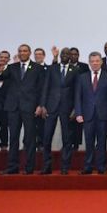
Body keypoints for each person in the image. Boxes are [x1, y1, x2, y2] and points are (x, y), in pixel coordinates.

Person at [0, 43, 46, 175]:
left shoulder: (37, 68)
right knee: (13, 138)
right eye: (20, 51)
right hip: (13, 107)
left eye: (25, 51)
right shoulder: (12, 67)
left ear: (29, 53)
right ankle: (12, 166)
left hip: (30, 107)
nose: (22, 53)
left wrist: (40, 105)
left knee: (30, 138)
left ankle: (29, 168)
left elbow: (42, 88)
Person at [40, 47, 83, 175]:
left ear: (71, 56)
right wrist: (42, 105)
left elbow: (77, 91)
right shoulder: (52, 68)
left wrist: (76, 108)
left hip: (67, 108)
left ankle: (65, 167)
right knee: (47, 137)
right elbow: (45, 87)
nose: (65, 55)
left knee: (67, 139)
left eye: (67, 54)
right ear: (60, 56)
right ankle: (46, 166)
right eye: (63, 54)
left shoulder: (76, 70)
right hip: (51, 107)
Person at [75, 51, 107, 175]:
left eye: (97, 61)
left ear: (101, 62)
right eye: (92, 61)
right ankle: (88, 167)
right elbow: (78, 96)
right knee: (88, 142)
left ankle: (101, 167)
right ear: (89, 63)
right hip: (87, 114)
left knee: (102, 142)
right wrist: (78, 113)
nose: (95, 63)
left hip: (103, 114)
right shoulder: (82, 77)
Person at [33, 47, 49, 150]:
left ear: (44, 56)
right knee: (30, 125)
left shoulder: (49, 69)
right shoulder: (30, 68)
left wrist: (43, 104)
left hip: (44, 101)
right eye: (36, 54)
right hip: (30, 101)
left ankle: (41, 144)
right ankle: (28, 144)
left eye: (40, 54)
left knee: (42, 125)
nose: (38, 56)